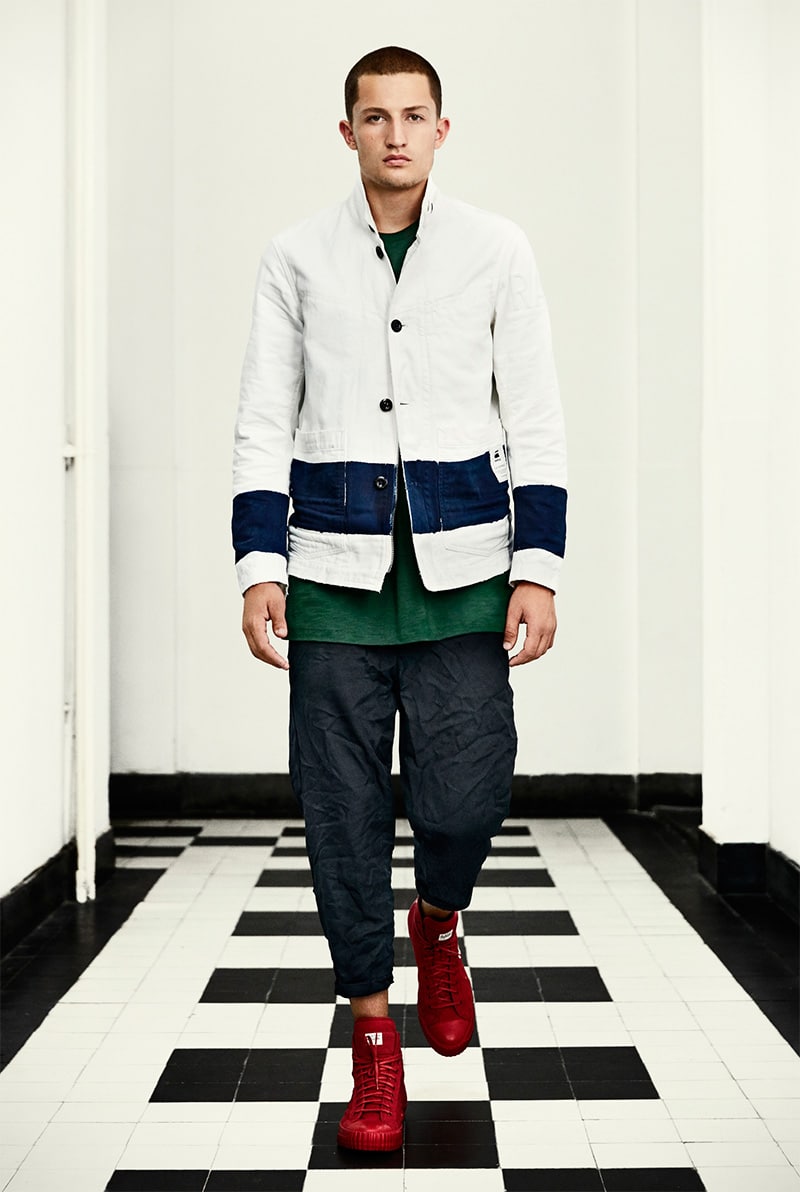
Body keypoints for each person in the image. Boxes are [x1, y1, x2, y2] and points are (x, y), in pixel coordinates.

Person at [232, 45, 567, 1152]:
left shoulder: (495, 249)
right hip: (331, 576)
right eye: (374, 118)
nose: (394, 135)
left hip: (464, 570)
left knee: (464, 796)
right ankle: (373, 1035)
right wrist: (257, 565)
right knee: (341, 815)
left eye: (413, 116)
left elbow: (535, 414)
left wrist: (538, 565)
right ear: (348, 133)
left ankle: (438, 918)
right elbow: (261, 418)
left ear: (441, 129)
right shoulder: (296, 256)